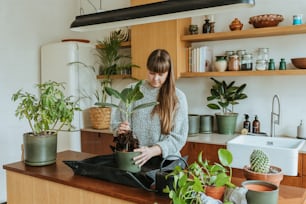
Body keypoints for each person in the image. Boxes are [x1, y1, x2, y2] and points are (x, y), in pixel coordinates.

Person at [112, 49, 188, 167]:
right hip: (135, 160)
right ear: (147, 69)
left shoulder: (178, 97)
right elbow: (116, 123)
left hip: (167, 163)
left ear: (168, 73)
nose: (155, 78)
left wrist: (152, 151)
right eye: (152, 73)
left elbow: (178, 138)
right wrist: (120, 129)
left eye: (161, 74)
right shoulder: (133, 90)